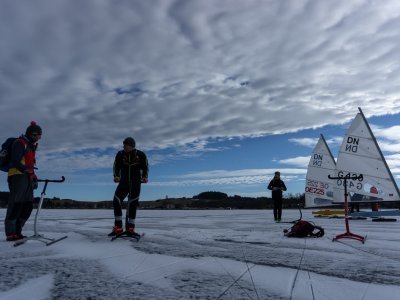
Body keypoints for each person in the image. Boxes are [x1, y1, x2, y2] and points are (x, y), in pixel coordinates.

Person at [4, 121, 41, 241]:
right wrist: (27, 170)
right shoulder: (20, 143)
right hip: (17, 175)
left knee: (27, 205)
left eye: (39, 135)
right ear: (30, 134)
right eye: (36, 135)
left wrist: (33, 175)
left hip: (27, 177)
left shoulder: (30, 146)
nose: (38, 138)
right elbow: (15, 161)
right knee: (16, 204)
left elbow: (29, 164)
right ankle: (11, 233)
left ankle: (18, 232)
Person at [108, 137, 148, 236]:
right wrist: (116, 176)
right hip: (123, 183)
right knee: (116, 201)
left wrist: (144, 177)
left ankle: (130, 228)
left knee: (133, 204)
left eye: (126, 145)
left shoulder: (140, 154)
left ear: (131, 146)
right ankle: (118, 227)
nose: (124, 146)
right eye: (123, 145)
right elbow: (116, 166)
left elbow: (145, 166)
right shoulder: (120, 154)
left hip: (136, 183)